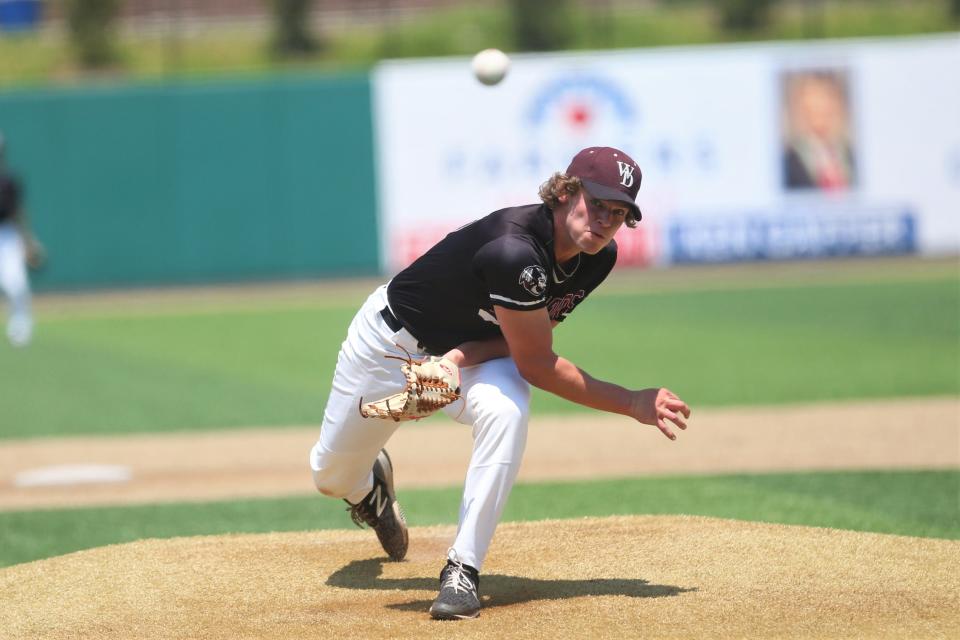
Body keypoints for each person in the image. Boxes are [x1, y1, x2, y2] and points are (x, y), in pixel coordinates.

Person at [309, 146, 692, 620]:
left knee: (506, 410)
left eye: (618, 213)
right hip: (389, 346)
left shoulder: (597, 256)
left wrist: (454, 359)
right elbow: (537, 362)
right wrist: (632, 401)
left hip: (468, 356)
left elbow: (522, 342)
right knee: (331, 477)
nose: (605, 221)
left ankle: (462, 570)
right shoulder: (514, 249)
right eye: (597, 204)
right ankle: (369, 491)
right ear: (566, 192)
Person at [782, 70, 856, 191]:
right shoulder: (789, 159)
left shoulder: (850, 154)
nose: (820, 109)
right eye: (813, 105)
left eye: (825, 99)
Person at [0, 132, 38, 348]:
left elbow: (18, 213)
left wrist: (28, 240)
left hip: (6, 235)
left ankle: (21, 326)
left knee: (16, 283)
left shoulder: (9, 181)